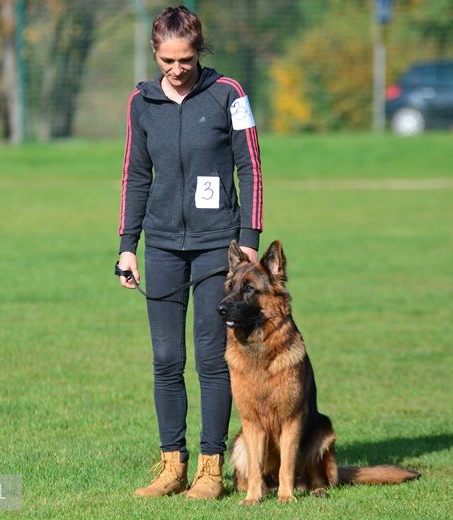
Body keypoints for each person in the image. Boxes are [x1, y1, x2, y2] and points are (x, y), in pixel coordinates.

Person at [116, 5, 263, 500]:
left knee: (211, 358)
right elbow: (135, 175)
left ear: (199, 50)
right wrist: (127, 247)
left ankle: (209, 470)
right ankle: (171, 466)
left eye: (185, 59)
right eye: (167, 61)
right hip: (159, 246)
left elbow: (252, 170)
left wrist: (248, 240)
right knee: (164, 359)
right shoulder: (142, 101)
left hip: (215, 249)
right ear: (155, 53)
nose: (177, 70)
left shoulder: (229, 95)